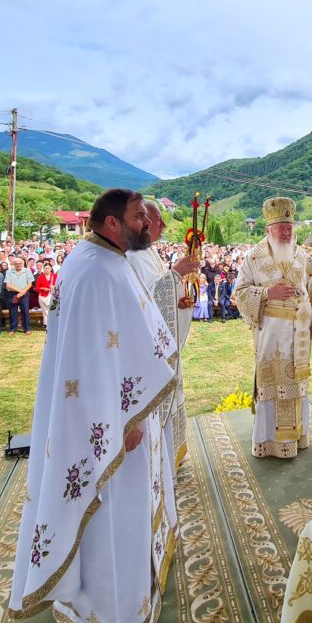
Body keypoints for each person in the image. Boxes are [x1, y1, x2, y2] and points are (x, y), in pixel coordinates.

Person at [9, 188, 179, 623]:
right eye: (140, 216)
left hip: (106, 409)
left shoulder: (96, 259)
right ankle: (115, 612)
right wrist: (124, 420)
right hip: (110, 422)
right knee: (113, 519)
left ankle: (93, 603)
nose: (148, 223)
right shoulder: (101, 270)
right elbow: (92, 361)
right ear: (111, 223)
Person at [234, 196, 312, 459]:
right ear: (269, 230)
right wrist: (267, 293)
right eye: (281, 229)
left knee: (297, 384)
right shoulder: (253, 257)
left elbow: (311, 290)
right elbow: (239, 292)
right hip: (271, 335)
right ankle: (269, 443)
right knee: (273, 383)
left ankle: (298, 438)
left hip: (299, 335)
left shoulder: (304, 257)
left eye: (290, 228)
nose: (287, 233)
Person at [127, 199, 198, 469]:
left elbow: (161, 290)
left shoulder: (150, 252)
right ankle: (160, 460)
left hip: (165, 343)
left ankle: (171, 454)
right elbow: (144, 299)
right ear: (145, 221)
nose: (163, 226)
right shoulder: (133, 256)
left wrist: (179, 297)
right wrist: (175, 274)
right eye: (159, 221)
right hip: (149, 347)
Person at [5, 258, 34, 334]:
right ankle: (13, 328)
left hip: (24, 294)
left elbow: (30, 283)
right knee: (12, 312)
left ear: (23, 263)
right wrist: (19, 291)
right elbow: (8, 285)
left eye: (20, 263)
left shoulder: (27, 271)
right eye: (16, 263)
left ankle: (27, 329)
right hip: (12, 294)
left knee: (25, 311)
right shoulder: (9, 272)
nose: (18, 265)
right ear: (14, 264)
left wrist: (23, 292)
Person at [35, 262, 57, 326]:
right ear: (43, 269)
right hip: (42, 296)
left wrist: (54, 287)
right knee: (44, 311)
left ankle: (53, 323)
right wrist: (43, 288)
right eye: (45, 268)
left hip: (52, 295)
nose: (47, 269)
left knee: (52, 310)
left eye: (48, 268)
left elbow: (59, 286)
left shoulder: (55, 276)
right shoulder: (40, 277)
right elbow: (36, 288)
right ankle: (46, 324)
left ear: (51, 268)